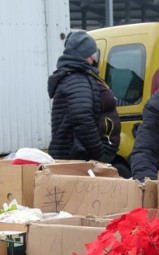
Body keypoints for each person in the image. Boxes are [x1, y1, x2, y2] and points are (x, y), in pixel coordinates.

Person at [48, 31, 125, 174]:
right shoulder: (77, 79)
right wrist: (99, 153)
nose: (95, 56)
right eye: (92, 52)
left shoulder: (78, 76)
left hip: (81, 156)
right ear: (85, 54)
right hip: (80, 158)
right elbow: (82, 117)